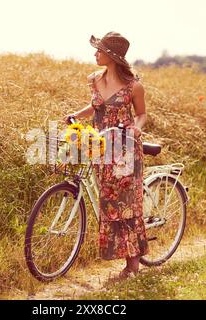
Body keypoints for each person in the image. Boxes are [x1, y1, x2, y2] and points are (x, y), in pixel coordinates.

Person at [63, 31, 148, 279]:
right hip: (101, 147)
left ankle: (133, 265)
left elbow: (142, 114)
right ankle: (126, 258)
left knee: (126, 206)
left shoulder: (134, 86)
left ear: (112, 55)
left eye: (99, 50)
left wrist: (137, 129)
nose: (95, 54)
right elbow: (96, 106)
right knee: (109, 204)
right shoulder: (94, 80)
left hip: (125, 150)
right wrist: (76, 115)